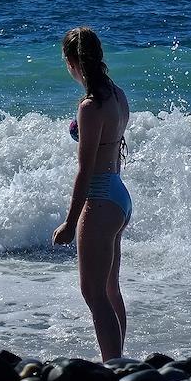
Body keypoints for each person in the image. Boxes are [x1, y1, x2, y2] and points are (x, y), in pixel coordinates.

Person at [52, 27, 130, 362]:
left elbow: (84, 170)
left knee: (93, 293)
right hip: (118, 193)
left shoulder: (90, 106)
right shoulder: (117, 95)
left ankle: (112, 364)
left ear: (72, 61)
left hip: (99, 196)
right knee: (110, 289)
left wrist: (70, 223)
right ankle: (119, 361)